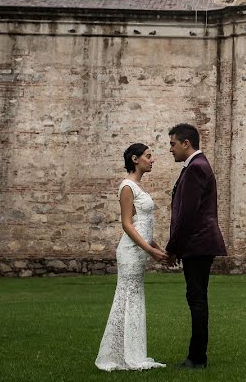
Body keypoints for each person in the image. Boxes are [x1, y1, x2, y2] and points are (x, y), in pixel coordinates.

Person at [95, 143, 168, 371]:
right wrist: (150, 250)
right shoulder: (127, 186)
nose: (152, 159)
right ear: (135, 159)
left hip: (140, 250)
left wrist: (158, 248)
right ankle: (118, 355)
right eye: (148, 156)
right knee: (126, 298)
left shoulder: (139, 187)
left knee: (134, 299)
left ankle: (131, 352)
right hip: (129, 252)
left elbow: (142, 225)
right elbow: (127, 224)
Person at [165, 123, 227, 370]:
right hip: (198, 243)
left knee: (197, 299)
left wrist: (173, 248)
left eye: (172, 144)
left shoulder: (196, 168)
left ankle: (197, 357)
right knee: (197, 298)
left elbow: (187, 214)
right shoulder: (196, 167)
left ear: (185, 143)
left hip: (198, 243)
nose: (170, 149)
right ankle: (197, 355)